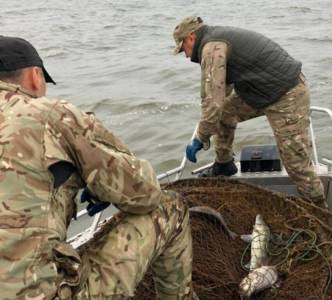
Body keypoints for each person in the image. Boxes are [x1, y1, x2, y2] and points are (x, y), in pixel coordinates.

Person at [0, 36, 195, 299]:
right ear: (35, 76)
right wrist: (98, 181)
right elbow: (145, 193)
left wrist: (74, 178)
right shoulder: (49, 114)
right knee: (170, 208)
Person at [172, 16, 326, 206]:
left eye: (183, 49)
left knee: (296, 164)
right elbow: (221, 93)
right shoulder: (214, 40)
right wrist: (206, 126)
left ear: (190, 38)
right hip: (260, 90)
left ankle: (320, 210)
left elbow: (213, 103)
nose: (186, 56)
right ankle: (224, 164)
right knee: (226, 114)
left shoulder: (211, 48)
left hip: (287, 94)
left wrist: (200, 138)